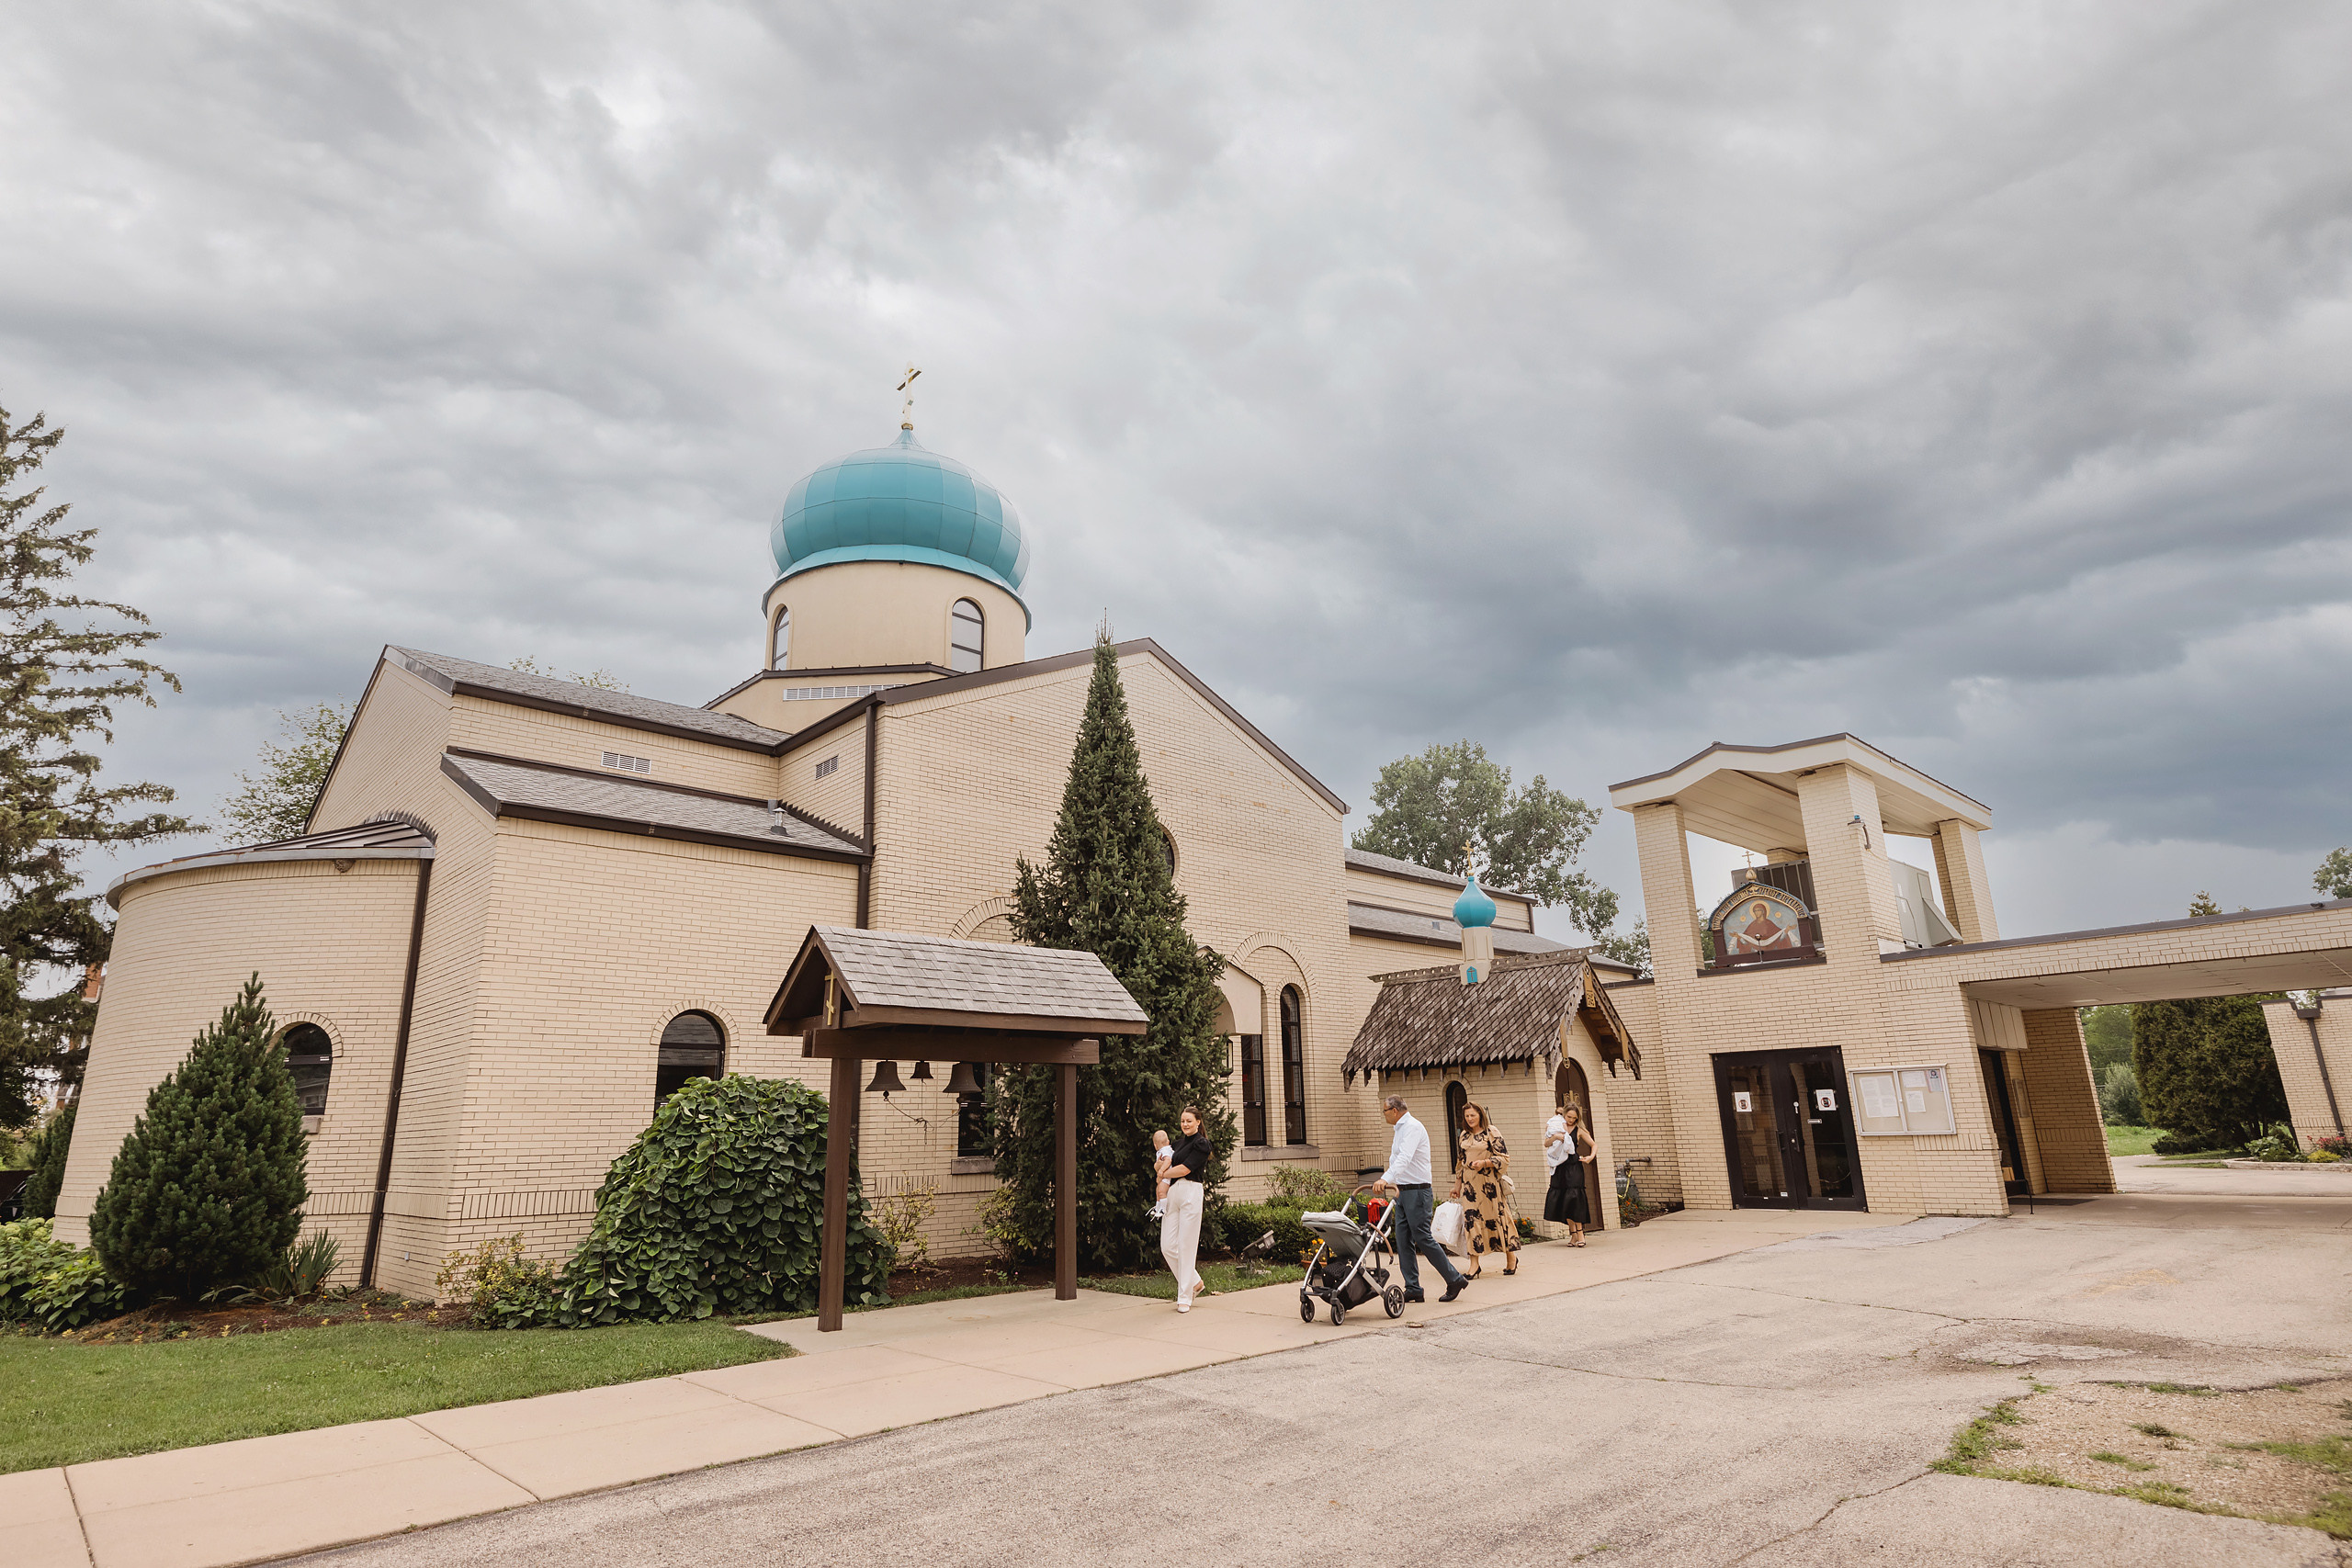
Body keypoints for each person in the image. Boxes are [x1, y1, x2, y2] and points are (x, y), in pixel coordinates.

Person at [1373, 1096, 1468, 1303]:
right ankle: (1413, 1287)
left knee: (1423, 1237)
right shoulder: (1400, 1129)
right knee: (1403, 1240)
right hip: (1403, 1192)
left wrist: (1385, 1178)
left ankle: (1454, 1279)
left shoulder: (1413, 1128)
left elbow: (1404, 1158)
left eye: (1385, 1111)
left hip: (1417, 1191)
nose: (1384, 1115)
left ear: (1395, 1110)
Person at [1453, 1100, 1518, 1276]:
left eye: (1473, 1115)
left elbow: (1504, 1158)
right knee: (1471, 1222)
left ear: (1480, 1114)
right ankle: (1474, 1264)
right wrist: (1457, 1185)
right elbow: (1460, 1161)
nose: (1470, 1118)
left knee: (1498, 1218)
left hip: (1489, 1185)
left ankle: (1511, 1257)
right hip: (1469, 1188)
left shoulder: (1492, 1132)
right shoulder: (1464, 1136)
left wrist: (1485, 1163)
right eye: (1467, 1116)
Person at [1159, 1107, 1213, 1313]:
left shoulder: (1202, 1143)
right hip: (1173, 1193)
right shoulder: (1176, 1144)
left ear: (1198, 1122)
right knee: (1167, 1246)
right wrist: (1162, 1168)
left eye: (1189, 1121)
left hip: (1191, 1191)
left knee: (1186, 1245)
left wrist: (1164, 1171)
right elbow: (1160, 1164)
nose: (1185, 1124)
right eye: (1182, 1121)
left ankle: (1185, 1297)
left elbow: (1185, 1169)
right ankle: (1196, 1281)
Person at [1544, 1101, 1597, 1246]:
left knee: (1574, 1200)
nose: (1571, 1120)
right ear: (1564, 1114)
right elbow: (1546, 1144)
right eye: (1569, 1117)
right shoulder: (1556, 1126)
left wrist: (1590, 1157)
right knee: (1564, 1200)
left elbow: (1593, 1144)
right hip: (1559, 1167)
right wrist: (1555, 1137)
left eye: (1574, 1118)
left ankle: (1580, 1235)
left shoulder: (1579, 1130)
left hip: (1574, 1168)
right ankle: (1573, 1236)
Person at [1148, 1129, 1172, 1220]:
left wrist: (1161, 1171)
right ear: (1168, 1141)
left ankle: (1163, 1209)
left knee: (1162, 1191)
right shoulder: (1163, 1150)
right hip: (1164, 1176)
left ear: (1155, 1145)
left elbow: (1168, 1160)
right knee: (1158, 1190)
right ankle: (1158, 1207)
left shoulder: (1165, 1150)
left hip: (1167, 1176)